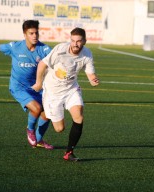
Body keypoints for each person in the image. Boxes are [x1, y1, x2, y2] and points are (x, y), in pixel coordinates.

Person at [0, 20, 54, 150]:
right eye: (31, 33)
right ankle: (30, 130)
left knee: (48, 112)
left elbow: (57, 59)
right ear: (25, 34)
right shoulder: (15, 47)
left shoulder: (44, 49)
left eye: (36, 33)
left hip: (36, 87)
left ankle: (39, 140)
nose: (35, 36)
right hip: (18, 87)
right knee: (36, 108)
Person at [32, 27, 100, 162]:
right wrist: (39, 83)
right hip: (52, 91)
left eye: (79, 41)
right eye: (73, 40)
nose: (75, 44)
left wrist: (93, 80)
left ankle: (69, 153)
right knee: (59, 129)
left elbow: (90, 73)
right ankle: (45, 112)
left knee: (79, 116)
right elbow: (42, 65)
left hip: (71, 89)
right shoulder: (60, 50)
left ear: (84, 41)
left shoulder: (87, 53)